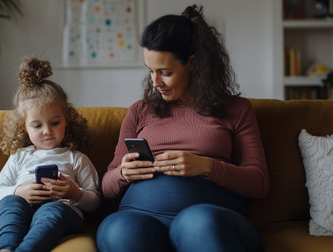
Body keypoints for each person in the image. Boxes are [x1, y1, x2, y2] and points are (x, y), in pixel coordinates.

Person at [96, 5, 269, 252]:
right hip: (138, 216)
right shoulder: (139, 111)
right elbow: (106, 186)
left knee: (196, 224)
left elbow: (259, 183)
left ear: (193, 64)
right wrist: (124, 173)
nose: (156, 82)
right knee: (120, 232)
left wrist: (206, 166)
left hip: (211, 219)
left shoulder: (237, 109)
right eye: (151, 72)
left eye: (165, 73)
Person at [0, 56, 100, 252]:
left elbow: (94, 201)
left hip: (63, 210)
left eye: (55, 123)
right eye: (37, 125)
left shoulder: (75, 158)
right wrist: (18, 192)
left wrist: (74, 193)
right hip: (24, 209)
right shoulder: (19, 156)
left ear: (66, 120)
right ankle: (7, 248)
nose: (47, 131)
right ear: (24, 127)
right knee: (9, 203)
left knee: (52, 210)